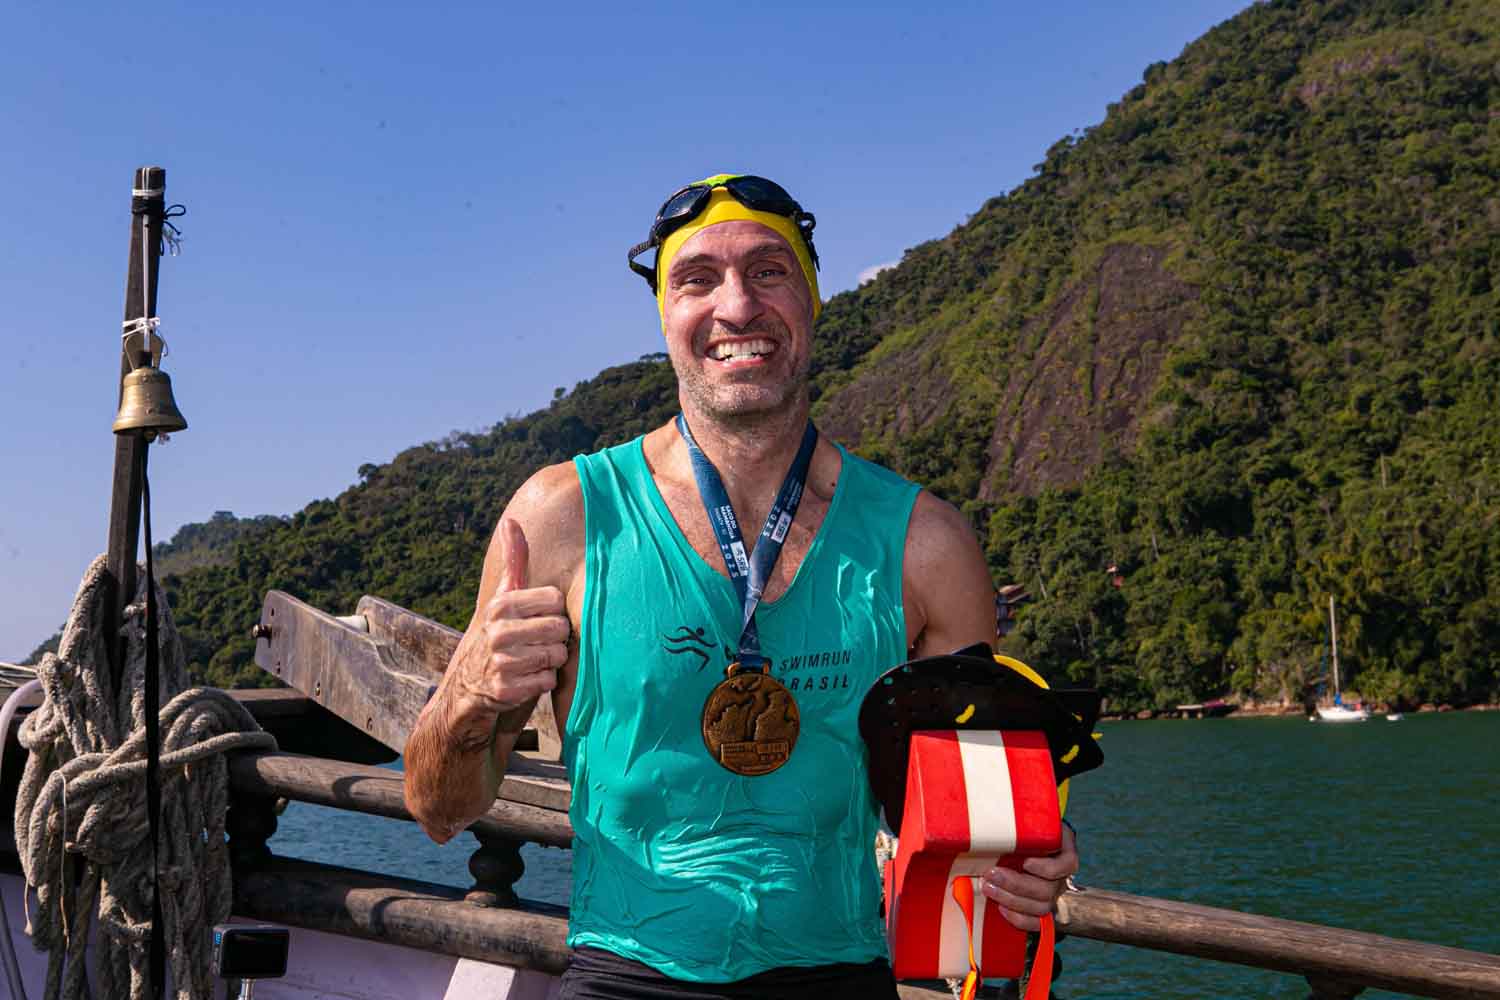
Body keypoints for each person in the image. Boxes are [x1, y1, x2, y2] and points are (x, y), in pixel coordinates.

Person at [403, 173, 1079, 999]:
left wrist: (1027, 857)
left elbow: (970, 817)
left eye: (768, 271)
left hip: (838, 976)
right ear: (666, 316)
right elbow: (439, 811)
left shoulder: (925, 546)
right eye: (697, 279)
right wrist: (468, 695)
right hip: (625, 975)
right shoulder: (565, 519)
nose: (737, 306)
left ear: (812, 300)